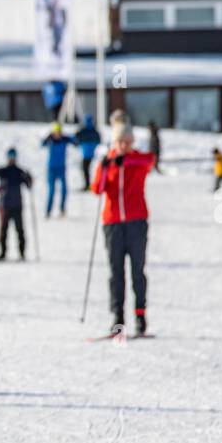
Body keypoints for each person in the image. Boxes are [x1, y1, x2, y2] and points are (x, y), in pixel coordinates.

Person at [91, 126, 155, 337]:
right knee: (116, 273)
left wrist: (125, 161)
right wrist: (105, 167)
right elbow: (97, 189)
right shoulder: (108, 163)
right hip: (113, 224)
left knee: (138, 271)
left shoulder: (137, 161)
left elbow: (149, 161)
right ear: (114, 143)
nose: (124, 146)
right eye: (121, 142)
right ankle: (117, 318)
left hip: (136, 222)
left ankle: (140, 315)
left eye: (128, 142)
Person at [0, 148, 32, 261]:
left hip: (17, 205)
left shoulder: (19, 171)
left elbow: (28, 185)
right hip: (5, 205)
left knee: (20, 230)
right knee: (3, 230)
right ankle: (2, 253)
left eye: (13, 156)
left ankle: (22, 253)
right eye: (10, 156)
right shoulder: (4, 170)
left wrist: (29, 178)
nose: (11, 158)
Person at [41, 122, 75, 218]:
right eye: (55, 133)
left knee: (64, 190)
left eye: (59, 132)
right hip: (51, 169)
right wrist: (47, 138)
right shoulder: (50, 141)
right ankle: (48, 210)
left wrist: (70, 137)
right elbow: (41, 144)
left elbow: (75, 141)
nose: (57, 135)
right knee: (51, 190)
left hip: (61, 168)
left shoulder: (64, 140)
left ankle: (62, 208)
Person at [75, 115, 101, 190]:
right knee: (91, 169)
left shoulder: (83, 131)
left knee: (85, 169)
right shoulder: (94, 131)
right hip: (93, 154)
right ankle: (90, 184)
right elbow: (99, 140)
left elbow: (76, 140)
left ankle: (88, 185)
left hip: (86, 154)